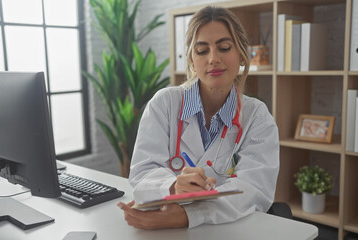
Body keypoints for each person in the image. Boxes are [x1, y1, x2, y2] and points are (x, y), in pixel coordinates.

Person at [117, 6, 279, 230]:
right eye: (202, 51)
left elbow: (254, 189)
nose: (213, 59)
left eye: (224, 48)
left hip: (227, 230)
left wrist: (187, 215)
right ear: (192, 60)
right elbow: (142, 172)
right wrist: (173, 185)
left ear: (241, 55)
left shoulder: (257, 116)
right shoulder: (164, 104)